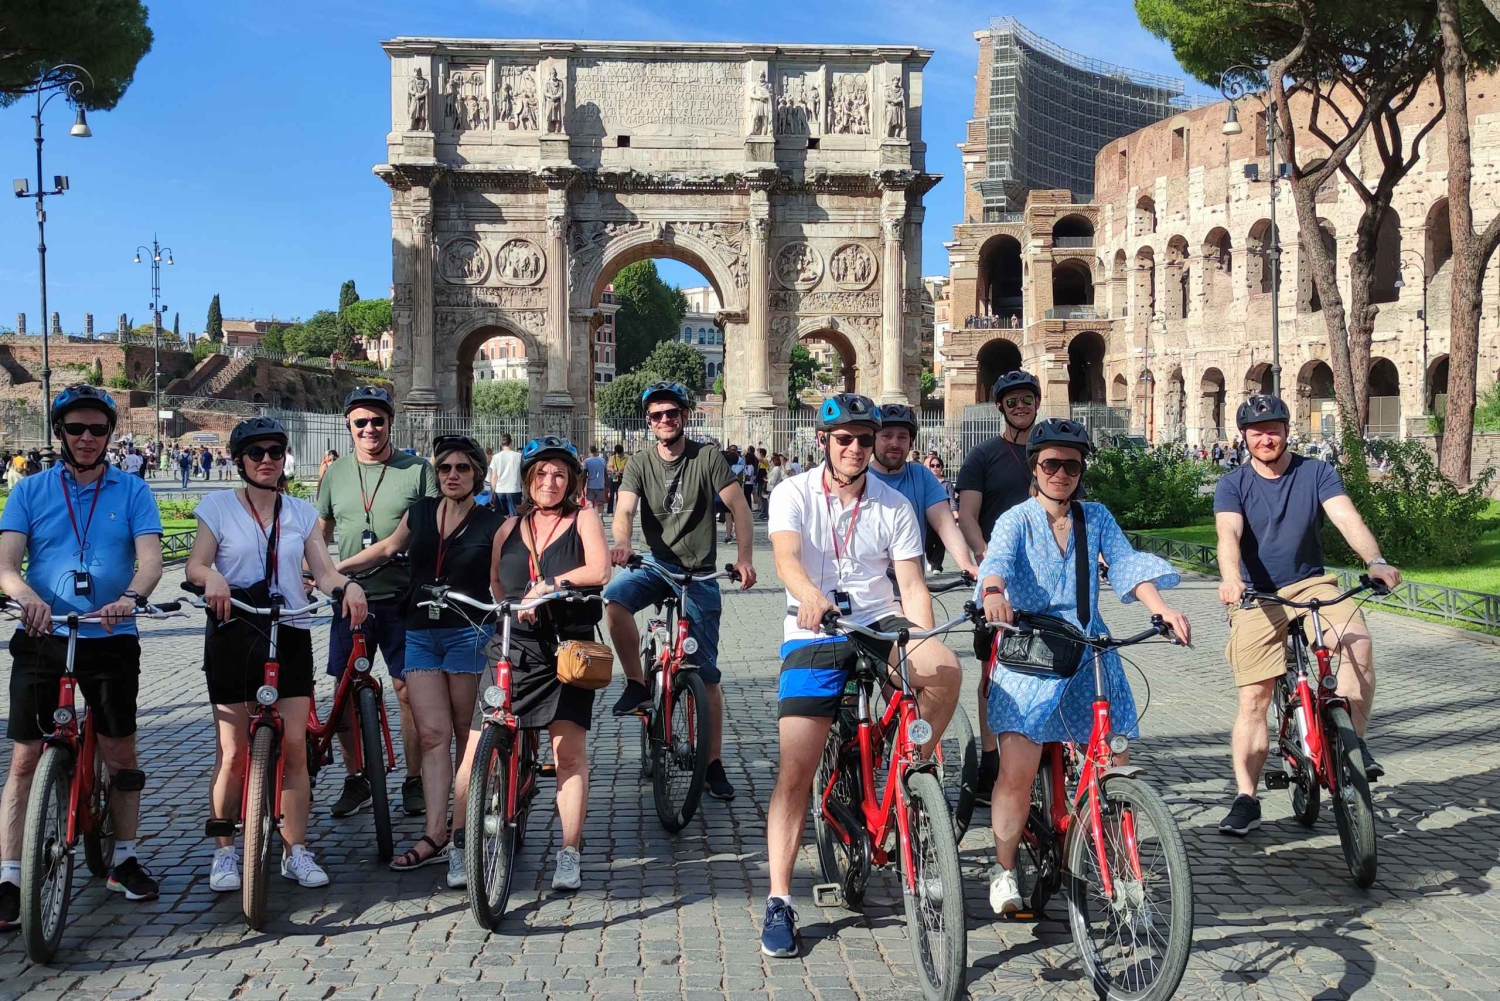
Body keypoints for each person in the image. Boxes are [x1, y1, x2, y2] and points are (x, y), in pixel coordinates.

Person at [761, 393, 961, 957]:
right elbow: (785, 559)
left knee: (945, 670)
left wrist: (924, 640)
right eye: (843, 439)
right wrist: (808, 596)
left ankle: (910, 772)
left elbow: (913, 585)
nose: (855, 449)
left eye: (864, 440)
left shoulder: (895, 503)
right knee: (795, 771)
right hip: (815, 627)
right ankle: (780, 899)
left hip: (878, 620)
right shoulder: (792, 493)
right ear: (822, 442)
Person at [975, 417, 1190, 913]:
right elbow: (996, 566)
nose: (1061, 473)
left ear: (1081, 470)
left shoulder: (1096, 517)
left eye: (1071, 465)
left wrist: (1159, 607)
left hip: (1090, 652)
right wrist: (992, 595)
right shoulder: (1017, 520)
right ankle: (1004, 870)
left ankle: (1120, 866)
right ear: (1035, 468)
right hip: (1032, 652)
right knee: (1018, 770)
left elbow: (1127, 563)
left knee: (1114, 760)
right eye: (1050, 463)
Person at [0, 386, 165, 926]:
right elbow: (6, 565)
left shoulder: (134, 489)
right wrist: (26, 598)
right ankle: (10, 875)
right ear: (60, 434)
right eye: (77, 430)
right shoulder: (29, 490)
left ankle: (124, 856)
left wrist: (129, 599)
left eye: (98, 430)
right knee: (25, 760)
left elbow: (150, 561)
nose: (88, 439)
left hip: (110, 635)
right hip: (45, 635)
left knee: (121, 754)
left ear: (110, 434)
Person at [186, 417, 367, 893]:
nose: (266, 459)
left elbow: (322, 570)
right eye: (256, 452)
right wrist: (213, 578)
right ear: (239, 458)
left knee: (291, 751)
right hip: (235, 627)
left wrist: (345, 585)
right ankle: (225, 851)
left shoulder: (301, 513)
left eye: (275, 451)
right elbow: (195, 563)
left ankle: (295, 848)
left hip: (288, 630)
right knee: (233, 753)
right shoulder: (217, 506)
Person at [1212, 394, 1401, 836]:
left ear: (1286, 430)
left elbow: (1346, 518)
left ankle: (1352, 744)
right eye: (1256, 431)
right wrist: (1229, 578)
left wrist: (1374, 559)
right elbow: (1228, 535)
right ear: (1243, 437)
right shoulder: (1233, 484)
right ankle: (1247, 797)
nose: (1265, 437)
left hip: (1311, 583)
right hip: (1256, 594)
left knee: (1357, 642)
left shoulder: (1316, 472)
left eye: (1273, 428)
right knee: (1255, 699)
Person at [450, 437, 611, 891]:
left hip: (565, 652)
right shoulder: (508, 527)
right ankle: (460, 845)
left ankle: (569, 851)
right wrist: (509, 606)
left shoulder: (584, 519)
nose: (549, 481)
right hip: (513, 647)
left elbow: (600, 571)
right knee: (475, 749)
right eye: (540, 473)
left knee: (568, 755)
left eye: (559, 474)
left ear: (572, 481)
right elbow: (497, 579)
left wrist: (551, 585)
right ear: (526, 480)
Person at [337, 435, 501, 876]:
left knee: (467, 737)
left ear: (477, 475)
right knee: (432, 736)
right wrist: (336, 570)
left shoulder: (493, 523)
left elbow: (503, 580)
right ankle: (435, 831)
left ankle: (463, 831)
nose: (452, 475)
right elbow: (388, 547)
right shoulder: (422, 512)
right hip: (421, 632)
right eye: (445, 467)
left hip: (468, 634)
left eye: (462, 468)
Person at [604, 382, 757, 803]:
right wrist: (621, 542)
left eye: (672, 413)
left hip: (701, 572)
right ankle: (637, 682)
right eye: (656, 415)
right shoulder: (638, 463)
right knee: (614, 603)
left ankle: (712, 763)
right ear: (649, 422)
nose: (665, 420)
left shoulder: (706, 457)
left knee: (706, 675)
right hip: (655, 566)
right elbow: (624, 510)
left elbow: (738, 507)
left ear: (684, 416)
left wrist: (745, 558)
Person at [316, 386, 438, 819]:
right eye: (360, 422)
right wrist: (305, 569)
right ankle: (355, 779)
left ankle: (414, 779)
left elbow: (409, 538)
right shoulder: (335, 474)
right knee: (343, 692)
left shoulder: (418, 471)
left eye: (377, 421)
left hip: (404, 596)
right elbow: (321, 532)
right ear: (349, 427)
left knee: (410, 691)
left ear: (391, 423)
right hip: (350, 601)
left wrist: (337, 570)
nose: (369, 429)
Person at [956, 370, 1041, 802]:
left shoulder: (1053, 454)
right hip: (998, 580)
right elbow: (967, 515)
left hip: (1047, 579)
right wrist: (988, 559)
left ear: (1037, 404)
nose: (1021, 406)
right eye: (1013, 401)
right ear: (1001, 408)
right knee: (995, 669)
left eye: (1028, 399)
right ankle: (991, 756)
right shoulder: (983, 456)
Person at [870, 404, 978, 579]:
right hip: (869, 588)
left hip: (912, 585)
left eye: (902, 437)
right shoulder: (862, 478)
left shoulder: (920, 475)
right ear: (873, 439)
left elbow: (945, 524)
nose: (895, 443)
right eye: (886, 436)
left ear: (911, 442)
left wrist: (966, 565)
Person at [487, 434, 523, 517]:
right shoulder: (519, 456)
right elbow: (521, 475)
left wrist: (492, 493)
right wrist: (522, 488)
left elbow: (494, 477)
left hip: (500, 491)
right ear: (511, 443)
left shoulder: (496, 457)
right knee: (515, 518)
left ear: (500, 443)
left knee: (502, 518)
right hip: (514, 490)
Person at [606, 443, 628, 515]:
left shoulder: (628, 458)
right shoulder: (613, 458)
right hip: (614, 477)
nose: (619, 455)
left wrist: (621, 471)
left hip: (623, 477)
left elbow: (629, 467)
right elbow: (609, 467)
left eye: (621, 454)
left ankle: (619, 510)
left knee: (620, 495)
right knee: (611, 495)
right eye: (618, 454)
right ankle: (610, 511)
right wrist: (613, 470)